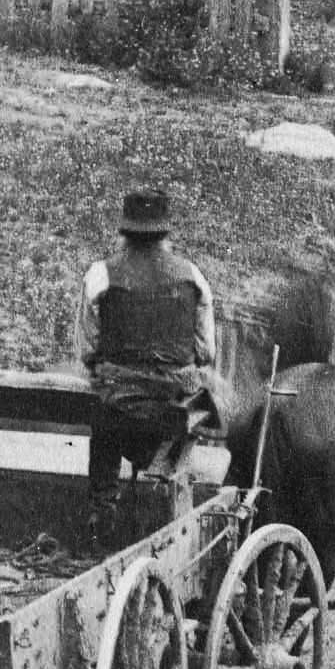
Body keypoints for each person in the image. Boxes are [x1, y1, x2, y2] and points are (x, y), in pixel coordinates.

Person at [76, 183, 219, 494]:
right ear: (165, 234)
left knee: (105, 421)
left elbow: (87, 348)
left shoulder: (101, 273)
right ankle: (163, 492)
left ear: (124, 232)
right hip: (172, 393)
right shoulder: (192, 275)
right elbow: (206, 350)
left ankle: (102, 503)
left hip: (118, 394)